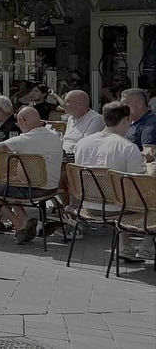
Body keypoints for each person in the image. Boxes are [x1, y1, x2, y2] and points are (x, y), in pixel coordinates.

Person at [73, 102, 152, 261]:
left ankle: (126, 247)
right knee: (147, 198)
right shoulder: (128, 147)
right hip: (115, 207)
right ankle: (147, 247)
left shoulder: (81, 144)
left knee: (120, 193)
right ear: (125, 120)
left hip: (88, 205)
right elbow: (139, 183)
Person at [0, 107, 64, 243]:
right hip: (51, 187)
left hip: (30, 189)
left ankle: (17, 223)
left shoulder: (22, 140)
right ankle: (24, 219)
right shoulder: (55, 136)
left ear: (23, 121)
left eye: (18, 122)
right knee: (13, 183)